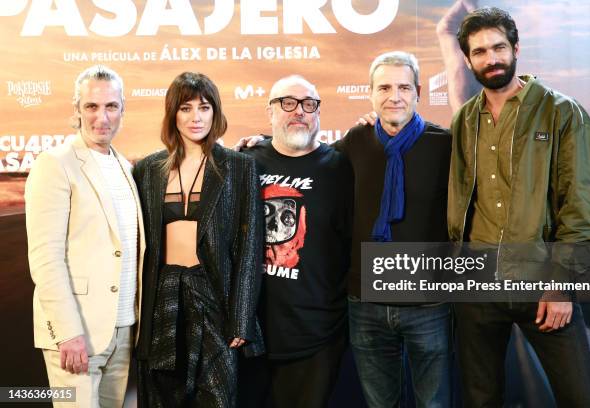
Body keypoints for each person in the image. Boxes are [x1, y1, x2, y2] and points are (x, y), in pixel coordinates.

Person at [449, 7, 590, 406]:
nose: (492, 58)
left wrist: (560, 283)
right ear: (468, 61)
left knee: (579, 397)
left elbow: (583, 204)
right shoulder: (465, 119)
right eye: (480, 52)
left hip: (543, 280)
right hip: (478, 283)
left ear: (516, 48)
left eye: (499, 47)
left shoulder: (561, 111)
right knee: (481, 398)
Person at [133, 72, 264, 407]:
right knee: (163, 396)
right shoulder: (147, 169)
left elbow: (250, 250)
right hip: (164, 297)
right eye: (186, 108)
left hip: (215, 297)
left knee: (218, 396)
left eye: (204, 108)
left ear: (215, 112)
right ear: (172, 114)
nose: (196, 117)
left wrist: (241, 316)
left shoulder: (239, 166)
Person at [25, 65, 145, 407]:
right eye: (91, 106)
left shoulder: (125, 166)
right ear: (77, 110)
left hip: (122, 330)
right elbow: (45, 257)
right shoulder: (55, 163)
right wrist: (67, 332)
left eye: (111, 106)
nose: (101, 117)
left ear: (123, 109)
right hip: (77, 334)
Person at [338, 51, 453, 407]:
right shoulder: (354, 142)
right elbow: (304, 159)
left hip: (428, 303)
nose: (395, 96)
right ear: (370, 93)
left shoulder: (444, 144)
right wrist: (260, 141)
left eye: (404, 87)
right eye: (384, 87)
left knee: (433, 403)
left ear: (418, 91)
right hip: (366, 302)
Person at [238, 75, 353, 408]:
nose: (298, 111)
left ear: (318, 112)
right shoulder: (246, 162)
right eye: (287, 103)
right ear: (270, 112)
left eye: (308, 104)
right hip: (251, 336)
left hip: (316, 337)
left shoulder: (340, 168)